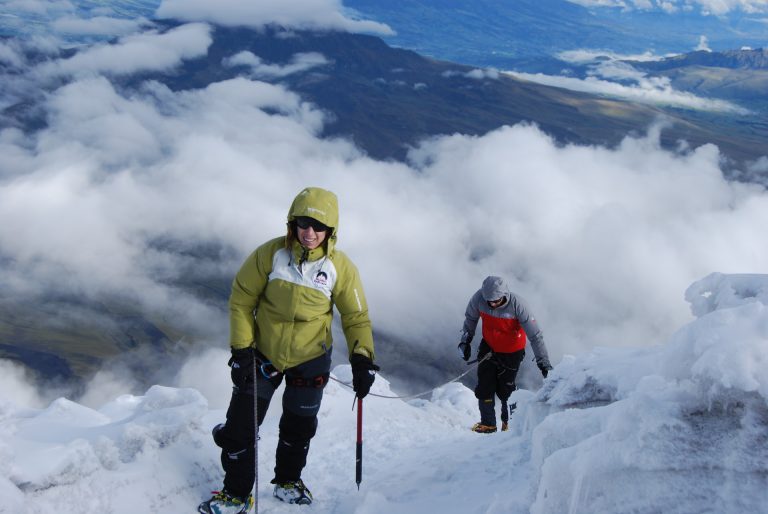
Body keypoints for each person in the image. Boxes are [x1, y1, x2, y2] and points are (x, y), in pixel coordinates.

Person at [199, 187, 379, 513]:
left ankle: (287, 480)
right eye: (303, 224)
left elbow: (356, 317)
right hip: (262, 355)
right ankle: (236, 494)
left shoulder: (341, 268)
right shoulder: (270, 255)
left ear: (331, 231)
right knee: (240, 430)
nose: (309, 233)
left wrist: (362, 357)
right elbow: (241, 300)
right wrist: (241, 351)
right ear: (291, 223)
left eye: (318, 227)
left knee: (298, 428)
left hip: (310, 359)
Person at [458, 275, 553, 434]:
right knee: (484, 386)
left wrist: (544, 363)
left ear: (505, 295)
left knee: (506, 389)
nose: (493, 304)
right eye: (490, 301)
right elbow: (471, 318)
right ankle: (488, 424)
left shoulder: (518, 305)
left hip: (512, 351)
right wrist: (465, 341)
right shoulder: (479, 298)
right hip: (489, 346)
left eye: (496, 301)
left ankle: (509, 424)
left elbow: (536, 336)